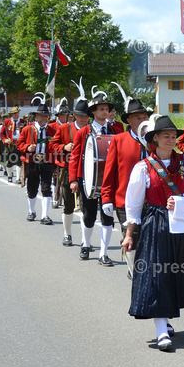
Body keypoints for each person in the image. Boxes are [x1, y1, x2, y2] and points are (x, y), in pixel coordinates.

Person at [120, 115, 184, 352]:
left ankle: (165, 319)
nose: (171, 139)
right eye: (165, 136)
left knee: (176, 272)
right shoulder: (142, 168)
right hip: (155, 224)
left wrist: (182, 200)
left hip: (180, 224)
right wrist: (129, 234)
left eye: (173, 136)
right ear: (154, 139)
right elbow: (133, 205)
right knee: (157, 276)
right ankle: (160, 331)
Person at [100, 93, 152, 271]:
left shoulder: (154, 140)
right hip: (126, 200)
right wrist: (106, 198)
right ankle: (134, 272)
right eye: (138, 117)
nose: (143, 120)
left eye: (145, 117)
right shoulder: (118, 140)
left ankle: (146, 271)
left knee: (152, 237)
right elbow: (110, 172)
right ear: (129, 120)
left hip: (153, 199)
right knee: (131, 237)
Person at [68, 89, 116, 264]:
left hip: (109, 180)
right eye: (101, 109)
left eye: (106, 109)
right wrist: (73, 179)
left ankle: (103, 253)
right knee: (88, 215)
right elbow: (74, 156)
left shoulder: (116, 130)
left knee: (107, 215)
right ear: (93, 112)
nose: (105, 112)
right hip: (87, 179)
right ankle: (86, 244)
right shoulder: (83, 133)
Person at [50, 98, 89, 247]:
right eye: (81, 115)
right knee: (68, 205)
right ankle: (67, 234)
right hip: (67, 169)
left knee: (86, 206)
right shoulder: (65, 128)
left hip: (87, 171)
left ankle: (86, 239)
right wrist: (64, 147)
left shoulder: (92, 129)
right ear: (75, 116)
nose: (84, 118)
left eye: (86, 116)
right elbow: (52, 145)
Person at [16, 98, 55, 224]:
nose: (45, 118)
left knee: (46, 188)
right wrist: (27, 147)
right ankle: (32, 211)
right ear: (37, 116)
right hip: (32, 161)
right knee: (32, 188)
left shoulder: (52, 130)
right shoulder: (28, 129)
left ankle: (45, 215)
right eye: (42, 116)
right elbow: (19, 144)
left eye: (46, 116)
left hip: (47, 161)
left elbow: (56, 144)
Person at [0, 107, 22, 182]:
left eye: (16, 113)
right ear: (11, 114)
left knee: (20, 161)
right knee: (9, 162)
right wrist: (4, 140)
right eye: (14, 114)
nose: (15, 115)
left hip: (20, 144)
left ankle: (18, 178)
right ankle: (10, 175)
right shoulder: (6, 122)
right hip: (10, 145)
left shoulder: (23, 121)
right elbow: (1, 134)